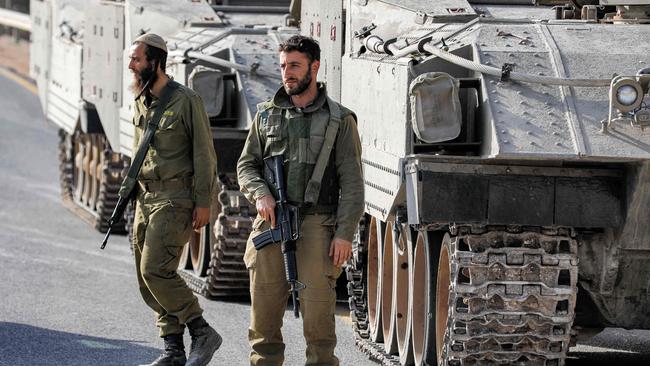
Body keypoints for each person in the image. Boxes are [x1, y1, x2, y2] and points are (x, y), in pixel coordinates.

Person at [237, 35, 364, 366]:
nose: (287, 73)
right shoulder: (265, 115)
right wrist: (261, 194)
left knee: (319, 330)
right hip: (272, 224)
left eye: (294, 65)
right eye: (282, 66)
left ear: (315, 67)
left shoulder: (339, 120)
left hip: (317, 228)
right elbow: (246, 164)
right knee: (263, 329)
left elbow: (352, 182)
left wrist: (344, 233)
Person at [126, 33, 221, 366]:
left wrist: (205, 201)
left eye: (137, 59)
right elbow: (140, 153)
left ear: (155, 61)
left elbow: (204, 155)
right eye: (131, 58)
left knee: (156, 269)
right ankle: (173, 350)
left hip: (176, 197)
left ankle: (201, 329)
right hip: (145, 198)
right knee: (145, 276)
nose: (131, 65)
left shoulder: (186, 100)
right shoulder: (140, 99)